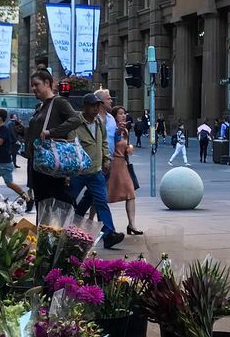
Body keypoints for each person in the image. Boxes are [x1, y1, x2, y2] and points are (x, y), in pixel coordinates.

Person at [69, 93, 124, 247]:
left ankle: (109, 234)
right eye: (93, 105)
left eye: (97, 105)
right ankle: (66, 230)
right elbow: (71, 146)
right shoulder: (76, 123)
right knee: (69, 201)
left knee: (101, 202)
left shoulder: (99, 122)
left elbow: (104, 142)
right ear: (85, 107)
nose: (96, 108)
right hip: (78, 172)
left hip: (96, 172)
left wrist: (106, 159)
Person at [23, 69, 83, 207]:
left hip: (50, 162)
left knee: (53, 200)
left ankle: (66, 220)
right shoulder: (42, 106)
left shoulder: (59, 102)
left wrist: (52, 132)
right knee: (41, 202)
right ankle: (45, 228)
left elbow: (75, 120)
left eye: (36, 84)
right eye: (32, 85)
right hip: (37, 163)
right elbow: (38, 131)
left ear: (47, 83)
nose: (33, 88)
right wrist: (23, 132)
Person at [108, 105, 143, 235]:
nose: (123, 115)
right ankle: (91, 220)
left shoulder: (126, 131)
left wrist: (129, 148)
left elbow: (126, 145)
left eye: (124, 113)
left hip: (122, 163)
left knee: (130, 193)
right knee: (103, 195)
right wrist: (118, 131)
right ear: (115, 116)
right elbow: (111, 140)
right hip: (112, 164)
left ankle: (132, 224)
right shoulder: (112, 128)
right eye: (120, 113)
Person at [0, 108, 30, 206]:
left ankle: (27, 198)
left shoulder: (4, 129)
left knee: (9, 183)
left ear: (0, 118)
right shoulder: (0, 129)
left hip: (4, 162)